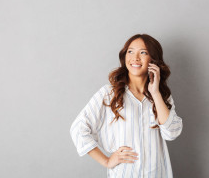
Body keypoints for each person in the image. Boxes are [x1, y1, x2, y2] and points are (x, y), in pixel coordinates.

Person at [70, 34, 183, 178]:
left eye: (143, 52)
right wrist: (106, 161)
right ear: (124, 56)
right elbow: (78, 129)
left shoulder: (161, 96)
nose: (135, 57)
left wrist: (155, 93)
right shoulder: (109, 94)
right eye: (130, 51)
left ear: (153, 60)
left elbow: (172, 133)